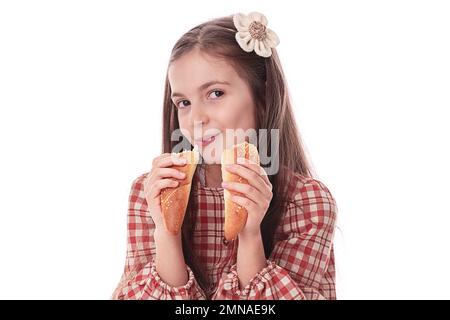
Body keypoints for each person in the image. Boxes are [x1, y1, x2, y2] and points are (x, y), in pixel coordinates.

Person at [112, 12, 338, 300]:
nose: (196, 118)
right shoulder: (150, 193)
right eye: (183, 102)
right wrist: (167, 233)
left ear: (263, 96)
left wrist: (249, 235)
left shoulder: (307, 202)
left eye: (216, 93)